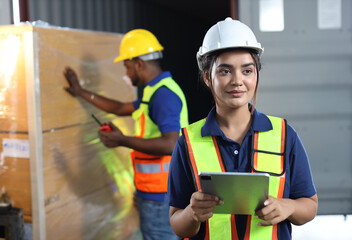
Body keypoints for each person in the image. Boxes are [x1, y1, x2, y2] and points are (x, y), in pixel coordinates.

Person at [167, 17, 318, 240]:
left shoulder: (284, 135)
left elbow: (310, 206)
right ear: (207, 77)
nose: (237, 81)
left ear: (256, 75)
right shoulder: (188, 142)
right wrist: (192, 213)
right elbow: (177, 224)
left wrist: (288, 207)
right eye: (225, 71)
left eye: (247, 71)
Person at [63, 29, 188, 240]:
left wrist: (121, 140)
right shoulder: (153, 91)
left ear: (138, 64)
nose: (126, 73)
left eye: (127, 66)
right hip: (154, 192)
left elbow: (170, 143)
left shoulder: (163, 95)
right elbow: (120, 107)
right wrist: (81, 92)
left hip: (162, 196)